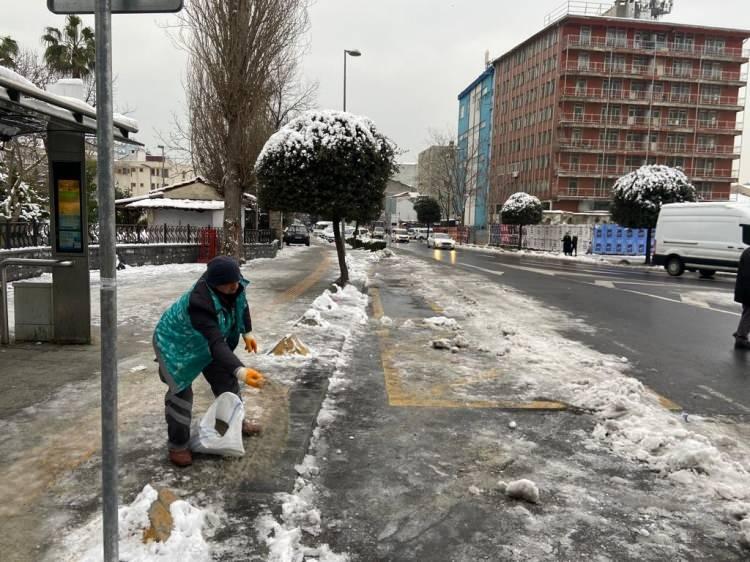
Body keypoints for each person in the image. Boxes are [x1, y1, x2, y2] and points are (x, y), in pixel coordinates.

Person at [153, 255, 265, 467]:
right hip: (175, 344)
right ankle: (178, 446)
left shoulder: (234, 285)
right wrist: (240, 369)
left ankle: (236, 423)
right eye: (230, 286)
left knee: (226, 382)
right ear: (215, 286)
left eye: (236, 283)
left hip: (203, 341)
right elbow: (215, 343)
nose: (235, 288)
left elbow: (241, 303)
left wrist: (247, 332)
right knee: (181, 392)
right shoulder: (200, 302)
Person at [734, 246, 750, 350]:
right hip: (748, 289)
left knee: (747, 312)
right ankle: (741, 337)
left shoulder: (747, 251)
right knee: (749, 313)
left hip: (745, 289)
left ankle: (740, 332)